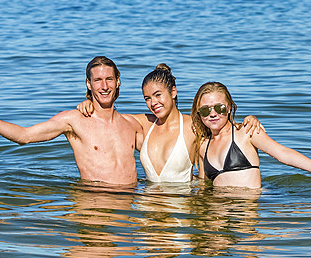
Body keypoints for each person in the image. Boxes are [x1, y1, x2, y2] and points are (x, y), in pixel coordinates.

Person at [0, 56, 141, 185]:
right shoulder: (74, 120)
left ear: (118, 81)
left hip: (129, 208)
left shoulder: (132, 124)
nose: (104, 86)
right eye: (98, 80)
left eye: (109, 79)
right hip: (94, 206)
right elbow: (24, 135)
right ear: (89, 84)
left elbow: (166, 130)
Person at [77, 63, 263, 182]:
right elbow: (109, 118)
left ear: (173, 92)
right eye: (147, 98)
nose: (153, 103)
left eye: (158, 95)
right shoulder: (144, 125)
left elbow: (221, 128)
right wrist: (90, 104)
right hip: (147, 215)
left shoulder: (193, 125)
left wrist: (249, 120)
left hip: (181, 215)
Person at [191, 81, 311, 189]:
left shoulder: (246, 132)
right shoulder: (203, 145)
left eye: (219, 108)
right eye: (205, 110)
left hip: (247, 210)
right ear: (199, 113)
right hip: (218, 212)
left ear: (230, 107)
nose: (213, 114)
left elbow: (282, 153)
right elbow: (204, 184)